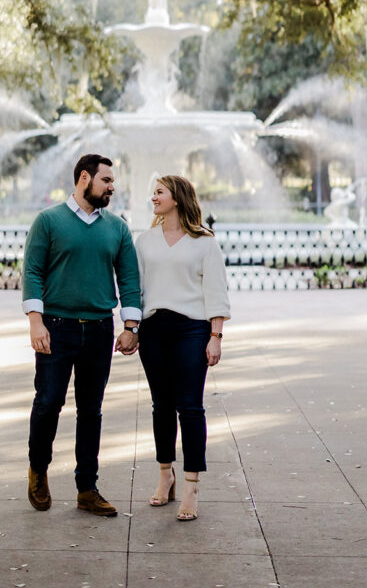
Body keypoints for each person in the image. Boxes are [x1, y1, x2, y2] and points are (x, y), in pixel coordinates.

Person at [22, 153, 142, 518]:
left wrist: (130, 326)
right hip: (55, 328)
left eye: (112, 182)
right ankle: (38, 469)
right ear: (84, 178)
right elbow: (32, 272)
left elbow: (130, 278)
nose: (111, 187)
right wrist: (35, 321)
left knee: (91, 410)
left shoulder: (117, 228)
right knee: (48, 403)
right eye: (106, 181)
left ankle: (87, 488)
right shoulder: (49, 221)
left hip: (99, 330)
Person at [135, 175, 230, 522]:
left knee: (190, 407)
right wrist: (132, 328)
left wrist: (215, 335)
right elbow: (137, 290)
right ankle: (165, 475)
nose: (153, 197)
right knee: (161, 406)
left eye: (158, 192)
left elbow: (216, 291)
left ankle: (191, 485)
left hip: (192, 329)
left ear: (176, 197)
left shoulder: (205, 242)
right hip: (155, 328)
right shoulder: (144, 242)